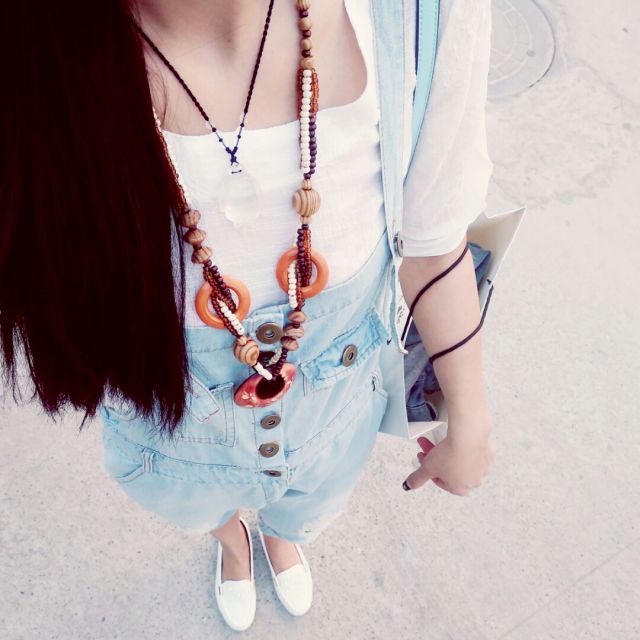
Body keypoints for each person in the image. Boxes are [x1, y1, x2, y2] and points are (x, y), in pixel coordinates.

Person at [0, 0, 495, 631]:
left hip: (335, 422)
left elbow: (435, 245)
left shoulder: (419, 17)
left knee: (307, 508)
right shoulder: (32, 58)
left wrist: (471, 419)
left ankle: (284, 534)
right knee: (202, 507)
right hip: (172, 443)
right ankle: (234, 542)